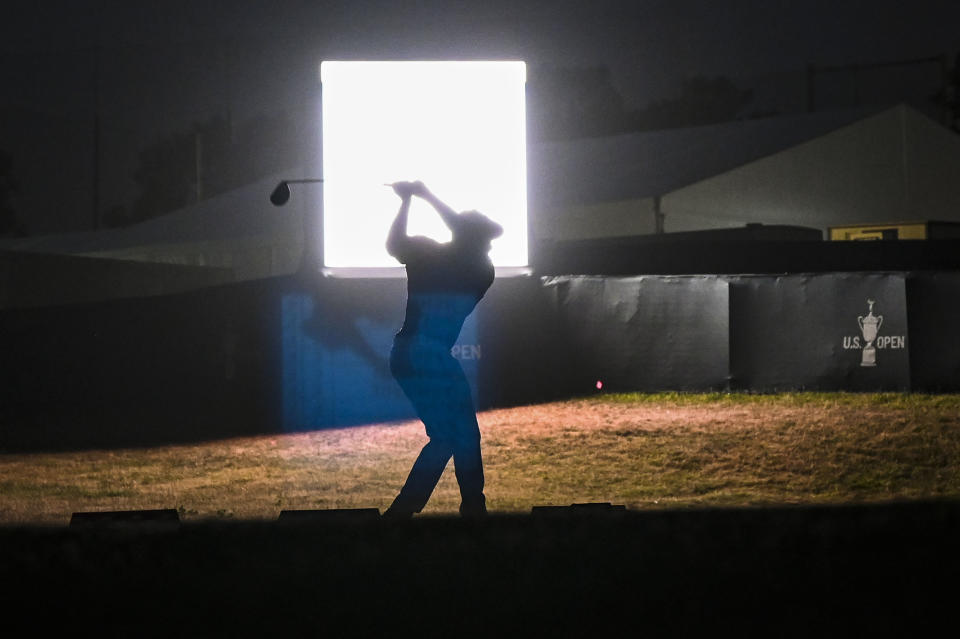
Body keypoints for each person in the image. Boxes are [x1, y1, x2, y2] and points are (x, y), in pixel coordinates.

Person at [383, 180, 502, 519]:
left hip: (408, 353)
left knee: (449, 437)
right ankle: (469, 510)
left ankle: (405, 513)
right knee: (457, 434)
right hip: (427, 353)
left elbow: (396, 245)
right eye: (486, 238)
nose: (489, 246)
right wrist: (415, 197)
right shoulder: (479, 268)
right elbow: (398, 245)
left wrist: (413, 198)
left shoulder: (442, 257)